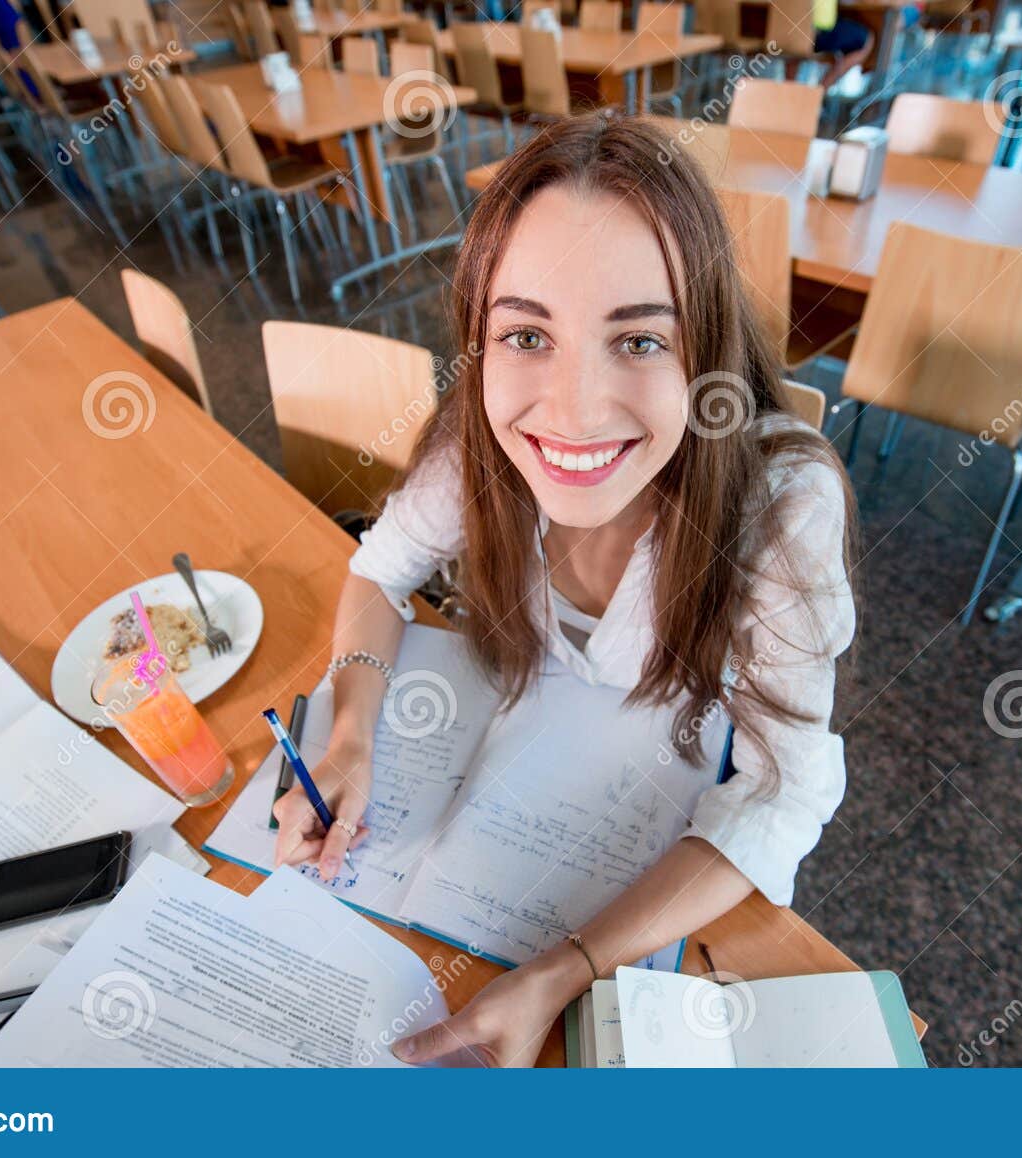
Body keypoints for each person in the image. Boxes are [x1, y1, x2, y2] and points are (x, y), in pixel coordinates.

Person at [272, 113, 858, 1068]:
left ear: (704, 349)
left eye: (637, 342)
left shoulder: (780, 507)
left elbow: (780, 795)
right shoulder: (477, 442)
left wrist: (560, 972)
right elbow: (380, 570)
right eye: (526, 334)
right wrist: (348, 738)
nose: (576, 411)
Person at [812, 0, 872, 89]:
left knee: (793, 51)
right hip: (818, 33)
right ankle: (818, 92)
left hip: (790, 32)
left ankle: (789, 86)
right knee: (866, 39)